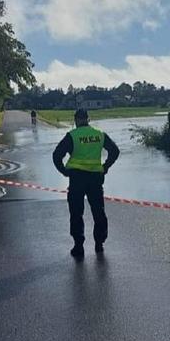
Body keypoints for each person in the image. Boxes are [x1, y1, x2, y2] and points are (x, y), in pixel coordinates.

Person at [52, 109, 120, 257]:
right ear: (88, 119)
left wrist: (64, 171)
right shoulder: (99, 134)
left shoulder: (72, 136)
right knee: (98, 210)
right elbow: (114, 151)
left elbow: (57, 155)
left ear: (76, 120)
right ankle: (99, 243)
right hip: (96, 178)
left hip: (77, 178)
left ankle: (78, 246)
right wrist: (105, 166)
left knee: (76, 212)